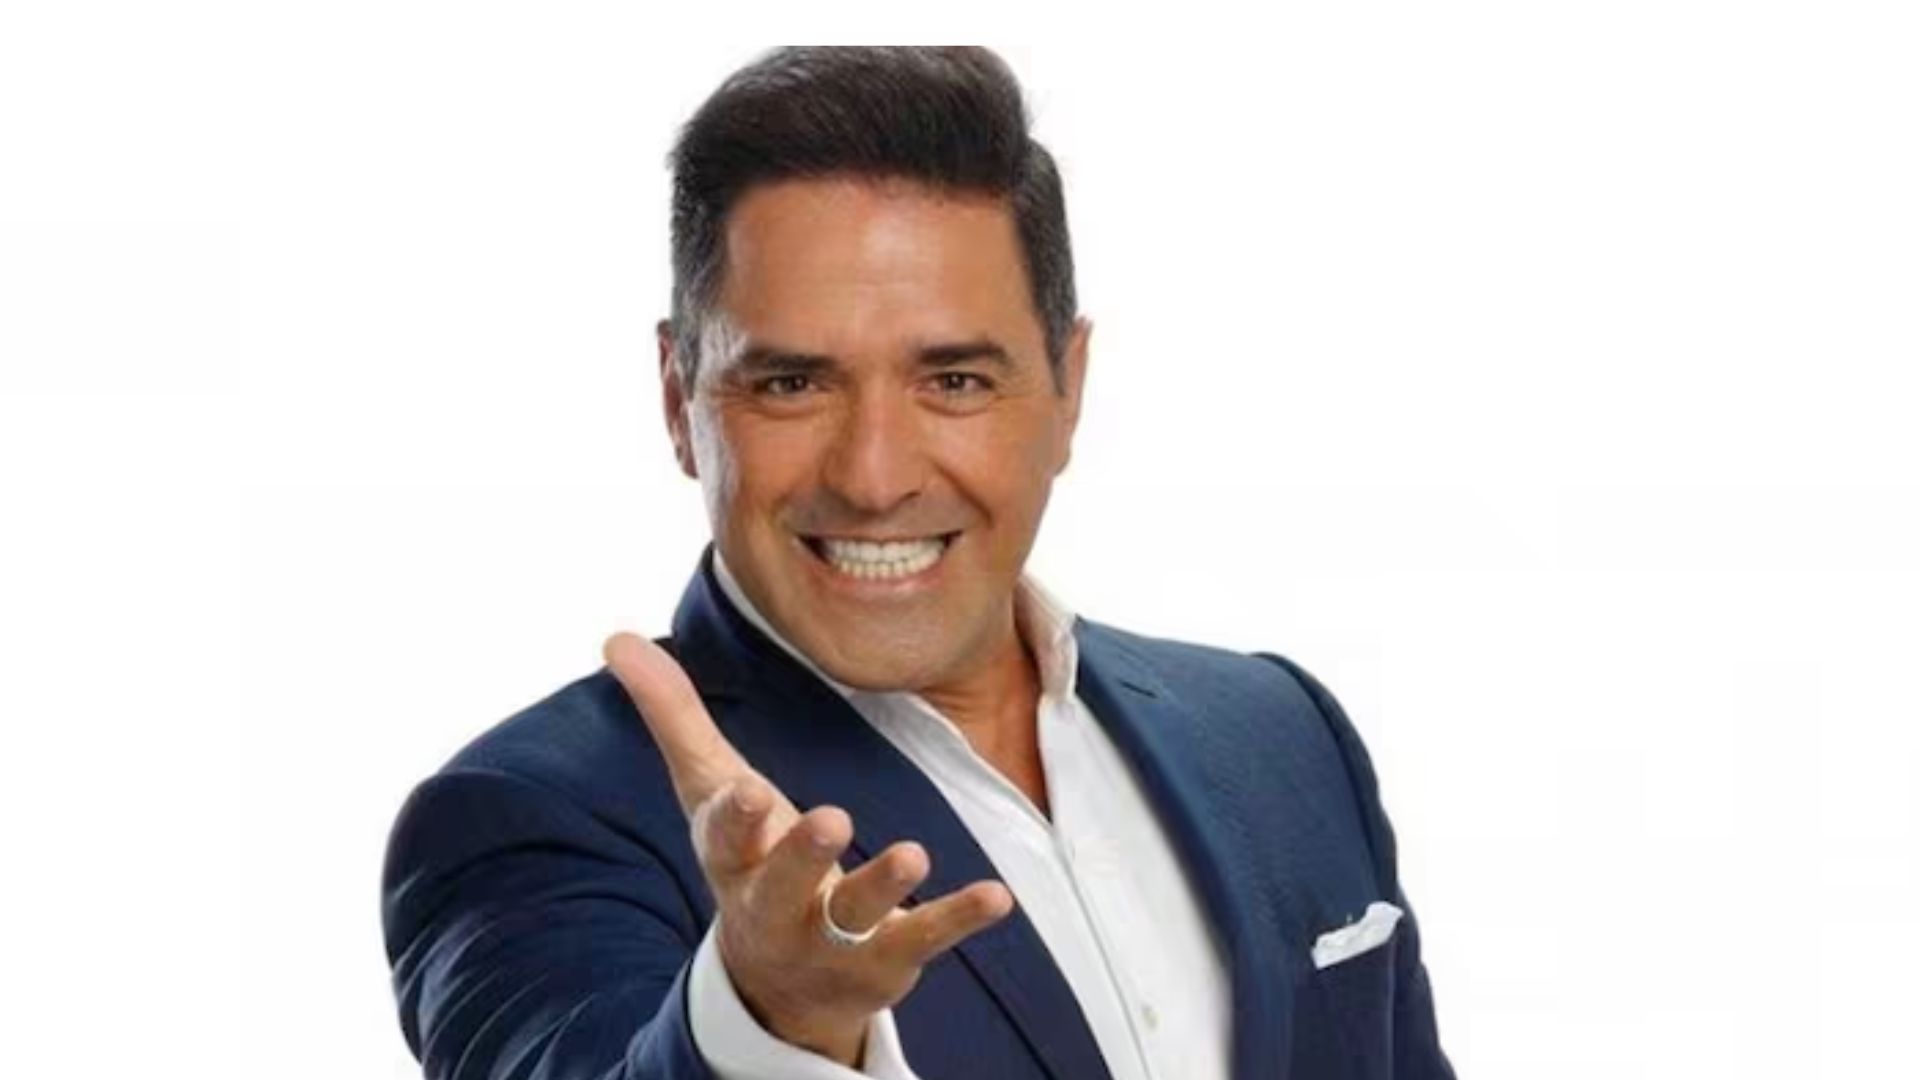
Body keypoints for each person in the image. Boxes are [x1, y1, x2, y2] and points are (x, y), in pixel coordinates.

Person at [381, 46, 1456, 1080]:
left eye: (954, 382)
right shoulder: (525, 820)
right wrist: (767, 1028)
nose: (875, 477)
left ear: (1068, 387)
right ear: (678, 400)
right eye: (793, 385)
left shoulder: (1280, 731)